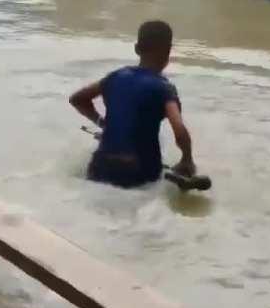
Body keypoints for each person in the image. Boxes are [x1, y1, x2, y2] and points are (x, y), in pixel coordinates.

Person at [69, 20, 196, 188]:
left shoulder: (114, 78)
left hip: (100, 167)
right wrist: (187, 159)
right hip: (140, 172)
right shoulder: (164, 88)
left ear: (137, 49)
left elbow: (77, 99)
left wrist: (103, 123)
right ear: (169, 51)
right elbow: (179, 129)